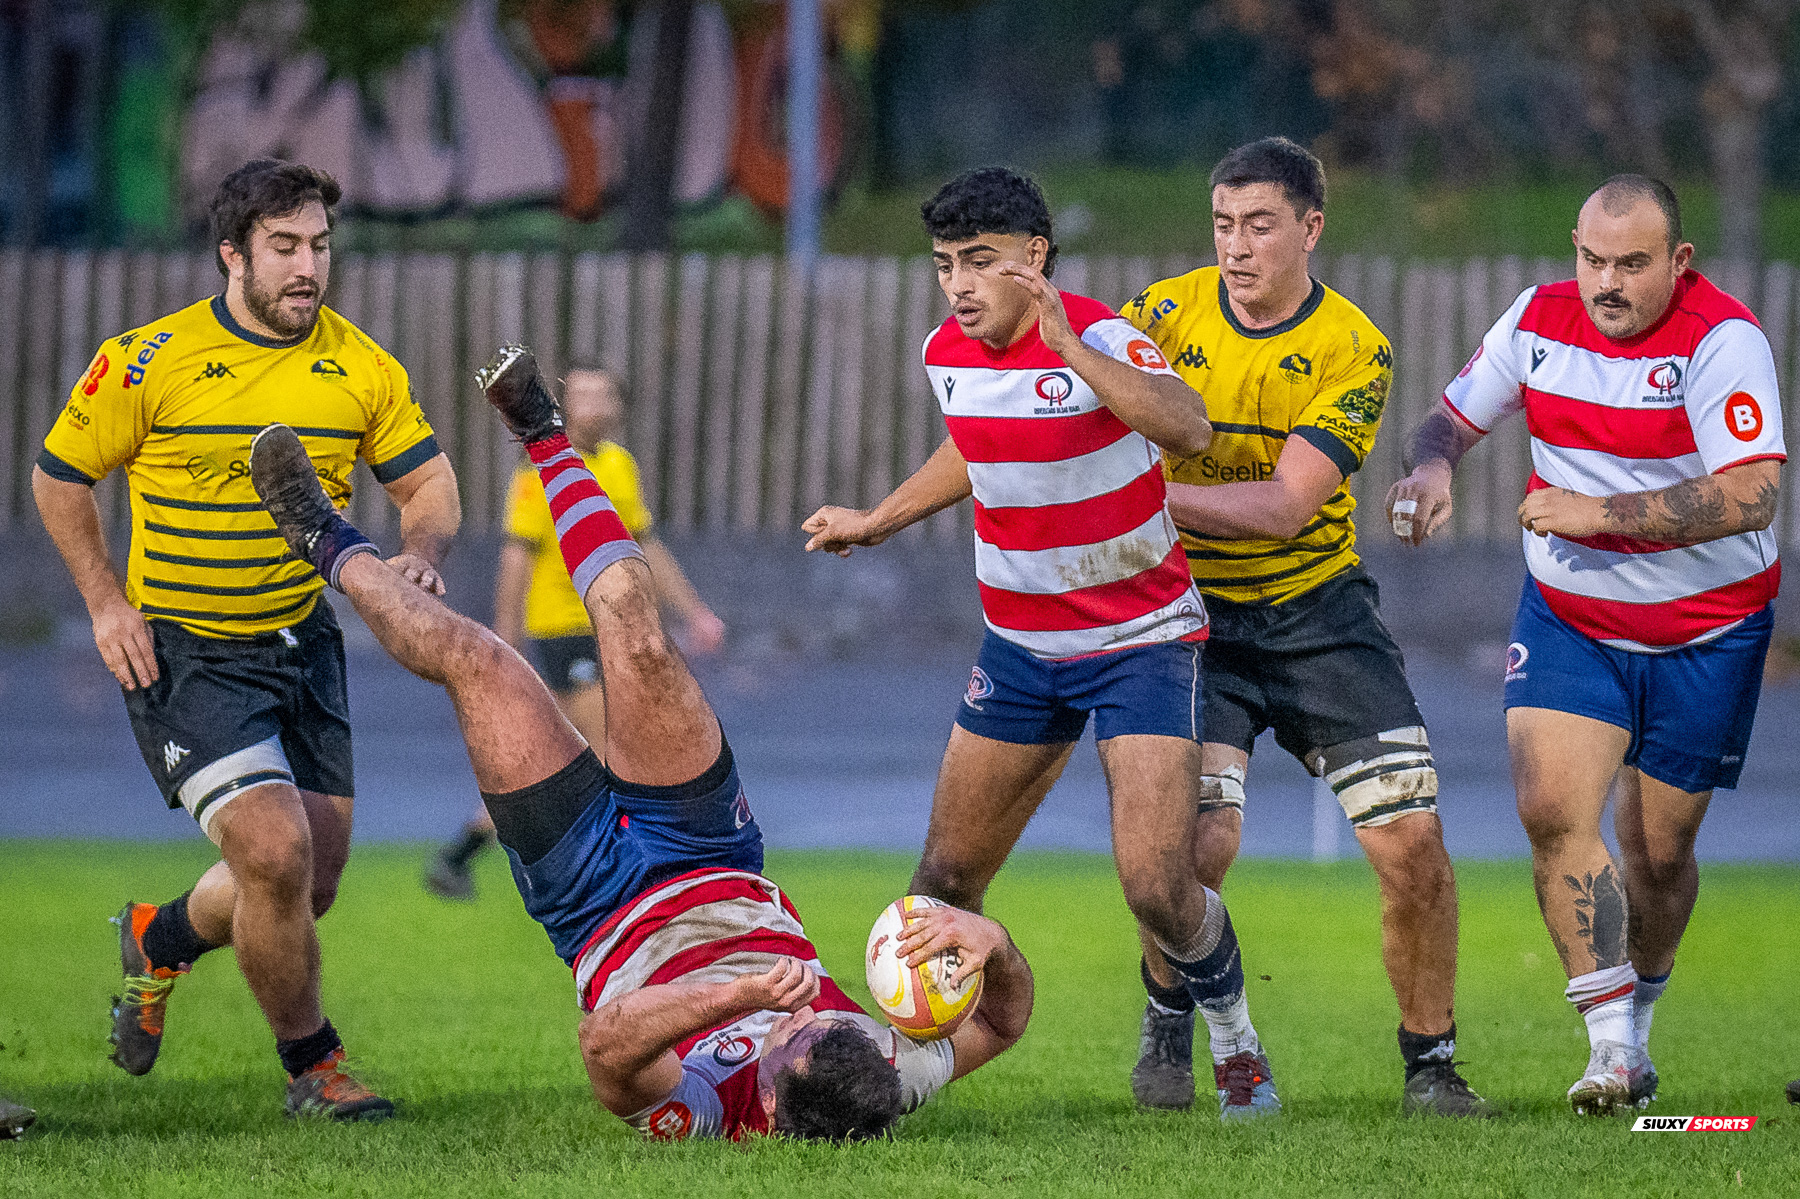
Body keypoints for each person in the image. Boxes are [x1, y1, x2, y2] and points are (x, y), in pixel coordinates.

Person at [244, 344, 1035, 1141]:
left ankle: (324, 541)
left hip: (591, 896)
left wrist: (738, 995)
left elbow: (605, 1045)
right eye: (830, 1019)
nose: (806, 1012)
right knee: (638, 629)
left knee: (478, 661)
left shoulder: (704, 1108)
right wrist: (993, 944)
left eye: (792, 1036)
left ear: (768, 1105)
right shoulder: (881, 1072)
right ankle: (544, 434)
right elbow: (1004, 1022)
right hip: (712, 853)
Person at [802, 168, 1278, 1120]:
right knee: (942, 884)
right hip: (1021, 649)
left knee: (1157, 886)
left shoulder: (1102, 337)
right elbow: (975, 444)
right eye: (945, 264)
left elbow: (1189, 427)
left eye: (979, 262)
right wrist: (880, 518)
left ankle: (1236, 1040)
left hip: (1142, 643)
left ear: (1035, 257)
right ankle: (904, 1082)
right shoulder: (946, 351)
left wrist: (1073, 351)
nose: (959, 285)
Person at [31, 159, 460, 1119]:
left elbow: (429, 484)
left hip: (304, 644)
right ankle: (316, 1067)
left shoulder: (361, 365)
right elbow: (58, 479)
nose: (309, 266)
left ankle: (159, 937)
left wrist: (421, 550)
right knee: (273, 851)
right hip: (185, 651)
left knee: (309, 884)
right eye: (285, 247)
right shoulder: (148, 359)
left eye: (320, 246)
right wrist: (105, 603)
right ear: (233, 254)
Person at [1387, 175, 1783, 1115]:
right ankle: (1609, 1047)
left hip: (1707, 631)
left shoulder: (1723, 341)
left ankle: (1636, 1027)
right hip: (1572, 619)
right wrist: (1433, 467)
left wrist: (1597, 512)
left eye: (1632, 264)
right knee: (1551, 805)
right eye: (1592, 258)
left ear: (1678, 261)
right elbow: (1446, 417)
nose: (1607, 282)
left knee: (1659, 853)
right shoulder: (1537, 319)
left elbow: (1754, 493)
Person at [1119, 138, 1486, 1117]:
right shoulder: (1157, 317)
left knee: (1413, 843)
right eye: (1223, 225)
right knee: (1198, 844)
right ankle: (1168, 1021)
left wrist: (1140, 498)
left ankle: (1431, 1065)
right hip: (1191, 619)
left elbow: (1285, 508)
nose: (1236, 247)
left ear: (1311, 227)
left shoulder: (1355, 347)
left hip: (1320, 611)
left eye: (1260, 225)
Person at [425, 364, 725, 899]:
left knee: (556, 753)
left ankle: (460, 854)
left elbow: (644, 545)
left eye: (601, 395)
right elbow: (516, 557)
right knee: (612, 753)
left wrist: (694, 612)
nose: (591, 405)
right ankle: (632, 879)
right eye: (580, 396)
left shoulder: (620, 465)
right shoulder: (537, 472)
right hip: (563, 630)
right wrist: (505, 640)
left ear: (618, 407)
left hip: (614, 628)